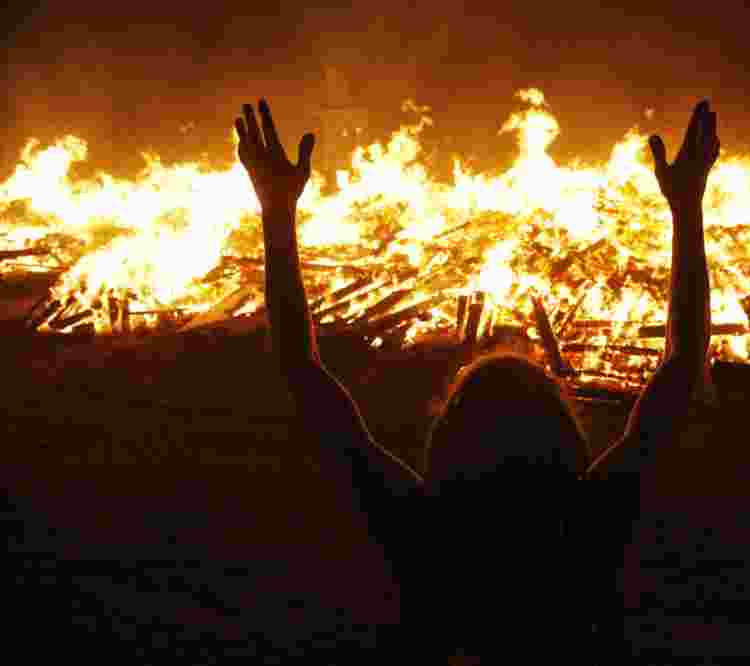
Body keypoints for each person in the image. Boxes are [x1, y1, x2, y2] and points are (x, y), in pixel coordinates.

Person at [233, 97, 718, 661]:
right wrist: (686, 208)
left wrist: (276, 210)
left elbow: (301, 368)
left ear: (449, 442)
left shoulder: (423, 535)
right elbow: (683, 364)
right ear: (564, 439)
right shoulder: (588, 529)